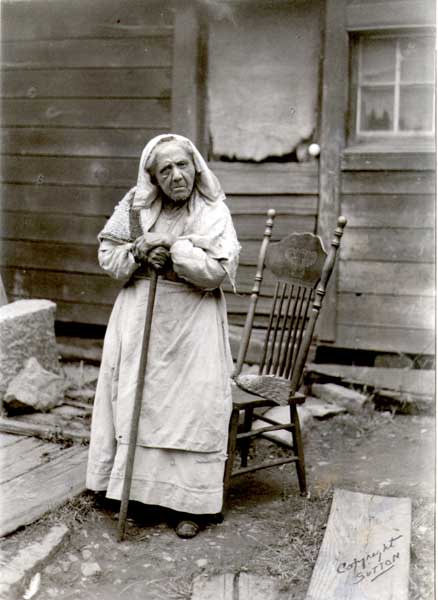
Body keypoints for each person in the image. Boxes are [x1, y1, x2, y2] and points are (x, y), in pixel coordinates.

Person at [86, 134, 240, 538]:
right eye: (165, 170)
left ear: (196, 166)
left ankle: (192, 504)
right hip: (141, 319)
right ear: (152, 177)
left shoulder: (212, 211)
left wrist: (172, 248)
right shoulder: (135, 207)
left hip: (193, 321)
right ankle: (138, 496)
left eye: (183, 166)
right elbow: (108, 254)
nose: (177, 176)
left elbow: (217, 273)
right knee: (141, 401)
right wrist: (138, 253)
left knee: (194, 405)